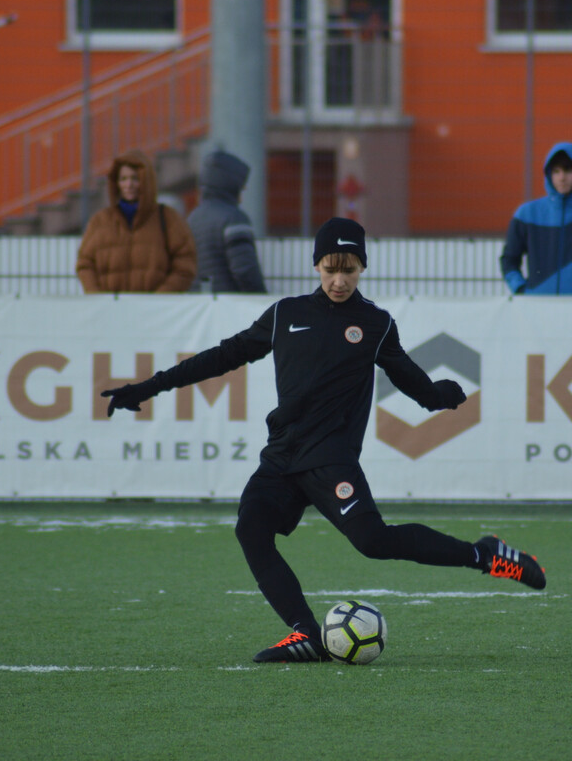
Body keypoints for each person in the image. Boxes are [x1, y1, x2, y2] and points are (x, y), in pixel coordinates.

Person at [101, 216, 547, 664]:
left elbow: (410, 379)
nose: (339, 280)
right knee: (250, 530)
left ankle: (485, 554)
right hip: (280, 457)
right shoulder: (285, 314)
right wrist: (146, 387)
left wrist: (439, 397)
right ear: (316, 265)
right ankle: (307, 635)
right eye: (331, 268)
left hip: (330, 459)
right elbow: (222, 357)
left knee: (373, 542)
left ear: (362, 269)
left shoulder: (375, 325)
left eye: (349, 270)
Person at [500, 142, 572, 295]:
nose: (562, 178)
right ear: (548, 174)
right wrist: (521, 290)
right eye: (556, 171)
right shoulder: (527, 213)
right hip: (536, 309)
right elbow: (509, 259)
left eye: (568, 170)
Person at [76, 150, 196, 293]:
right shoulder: (100, 221)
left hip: (155, 312)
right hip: (111, 311)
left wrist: (161, 298)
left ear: (146, 181)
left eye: (135, 178)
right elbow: (85, 263)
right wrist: (97, 296)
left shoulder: (168, 219)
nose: (129, 184)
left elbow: (185, 264)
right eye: (123, 179)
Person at [187, 151, 267, 293]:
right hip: (228, 305)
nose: (245, 189)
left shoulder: (192, 218)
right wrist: (261, 300)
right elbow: (245, 270)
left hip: (200, 303)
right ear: (230, 184)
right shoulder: (234, 218)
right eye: (242, 185)